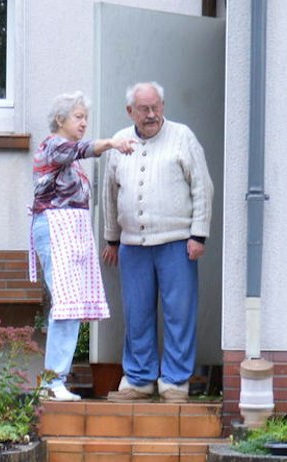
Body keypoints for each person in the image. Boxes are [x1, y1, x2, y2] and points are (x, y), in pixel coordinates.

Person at [97, 81, 213, 404]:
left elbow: (202, 187)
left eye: (156, 107)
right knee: (136, 313)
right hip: (133, 244)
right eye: (144, 109)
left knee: (179, 312)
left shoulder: (182, 137)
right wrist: (112, 238)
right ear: (130, 111)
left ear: (163, 105)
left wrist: (198, 234)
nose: (151, 115)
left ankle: (175, 381)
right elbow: (110, 193)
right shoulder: (120, 143)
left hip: (177, 241)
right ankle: (139, 379)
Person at [30, 92, 133, 401]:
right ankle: (52, 382)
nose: (84, 122)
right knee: (65, 305)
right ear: (60, 120)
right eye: (78, 117)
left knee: (71, 306)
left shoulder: (70, 160)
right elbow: (81, 149)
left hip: (71, 233)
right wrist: (113, 143)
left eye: (85, 117)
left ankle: (55, 380)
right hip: (55, 228)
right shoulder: (53, 146)